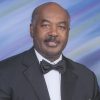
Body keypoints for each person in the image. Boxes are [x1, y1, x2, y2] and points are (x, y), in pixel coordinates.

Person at [0, 2, 100, 100]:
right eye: (46, 25)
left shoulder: (87, 78)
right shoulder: (4, 73)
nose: (53, 33)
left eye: (61, 27)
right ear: (32, 30)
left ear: (68, 32)